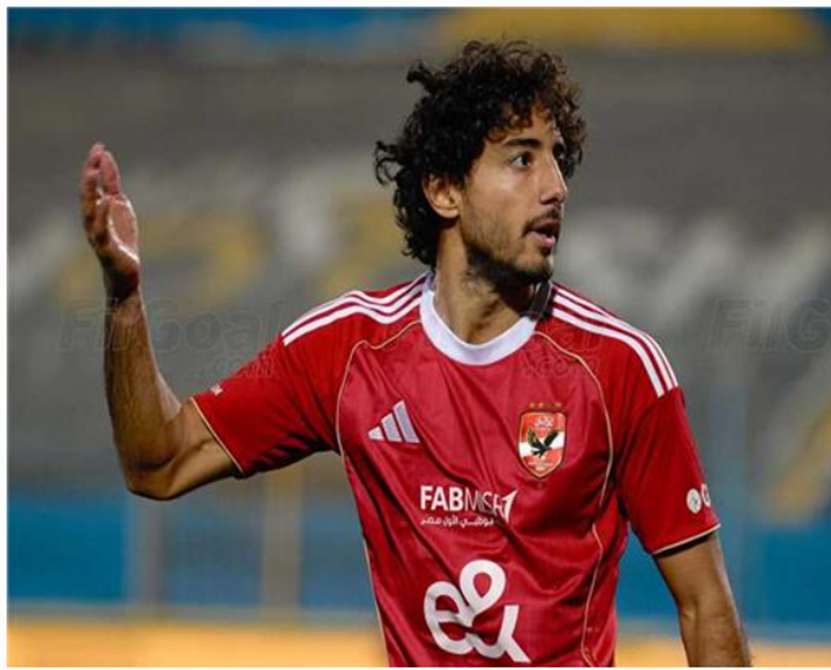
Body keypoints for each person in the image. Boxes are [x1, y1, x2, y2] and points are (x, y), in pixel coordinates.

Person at [80, 40, 749, 666]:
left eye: (557, 159)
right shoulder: (349, 351)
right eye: (522, 159)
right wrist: (124, 297)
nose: (555, 187)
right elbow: (159, 462)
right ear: (444, 190)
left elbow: (706, 607)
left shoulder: (619, 368)